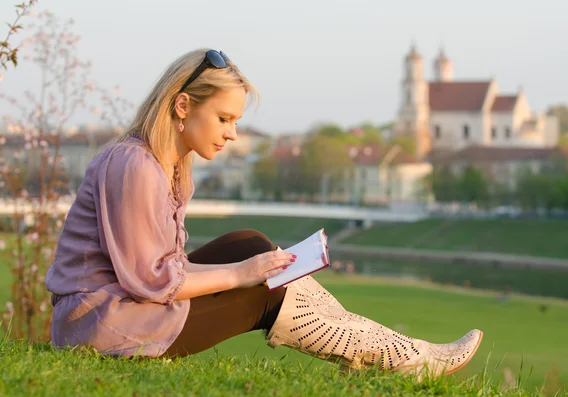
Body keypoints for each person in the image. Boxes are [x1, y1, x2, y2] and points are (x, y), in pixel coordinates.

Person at [45, 49, 483, 379]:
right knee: (263, 290)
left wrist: (250, 263)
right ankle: (401, 358)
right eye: (223, 119)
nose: (233, 134)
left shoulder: (169, 166)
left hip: (125, 307)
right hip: (103, 327)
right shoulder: (134, 165)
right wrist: (244, 275)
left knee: (248, 243)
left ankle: (384, 347)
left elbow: (162, 272)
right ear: (182, 107)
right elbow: (151, 280)